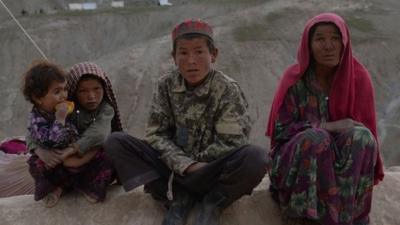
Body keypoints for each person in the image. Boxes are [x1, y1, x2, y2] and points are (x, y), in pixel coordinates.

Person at [105, 19, 268, 225]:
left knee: (256, 157)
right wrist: (185, 165)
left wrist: (199, 167)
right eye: (183, 53)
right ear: (174, 57)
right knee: (116, 142)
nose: (191, 60)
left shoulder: (227, 89)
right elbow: (156, 134)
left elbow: (233, 141)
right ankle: (176, 199)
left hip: (211, 172)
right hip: (174, 170)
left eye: (199, 52)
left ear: (213, 54)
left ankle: (213, 203)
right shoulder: (165, 85)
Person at [266, 13, 384, 225]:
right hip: (296, 163)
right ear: (309, 45)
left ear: (344, 42)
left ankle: (352, 218)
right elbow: (280, 132)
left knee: (362, 137)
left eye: (335, 38)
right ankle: (304, 216)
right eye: (320, 39)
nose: (328, 46)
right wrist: (328, 126)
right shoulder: (295, 81)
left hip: (339, 161)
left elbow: (368, 132)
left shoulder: (358, 78)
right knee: (317, 138)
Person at [25, 61, 122, 207]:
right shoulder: (66, 107)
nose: (91, 96)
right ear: (75, 90)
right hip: (62, 159)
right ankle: (58, 188)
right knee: (37, 163)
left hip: (82, 155)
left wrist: (71, 151)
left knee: (109, 156)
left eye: (97, 89)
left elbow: (99, 134)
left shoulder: (105, 109)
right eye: (83, 91)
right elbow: (33, 132)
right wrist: (40, 151)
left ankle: (90, 187)